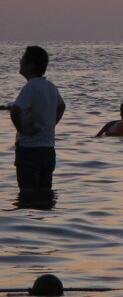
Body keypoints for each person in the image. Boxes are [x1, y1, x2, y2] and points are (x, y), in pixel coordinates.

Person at [7, 46, 66, 197]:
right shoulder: (50, 86)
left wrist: (22, 130)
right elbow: (61, 106)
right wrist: (51, 124)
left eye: (23, 59)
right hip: (48, 150)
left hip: (29, 150)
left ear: (30, 65)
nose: (20, 62)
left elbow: (15, 111)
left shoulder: (30, 87)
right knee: (45, 194)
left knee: (27, 195)